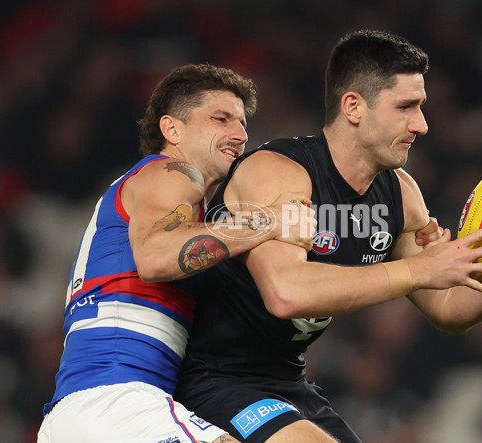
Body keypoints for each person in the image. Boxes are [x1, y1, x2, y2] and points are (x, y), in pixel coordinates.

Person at [175, 30, 482, 443]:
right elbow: (286, 293)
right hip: (210, 379)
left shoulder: (400, 194)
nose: (422, 125)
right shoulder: (278, 172)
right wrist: (421, 267)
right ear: (354, 106)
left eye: (421, 108)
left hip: (286, 383)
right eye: (406, 107)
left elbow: (448, 310)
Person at [38, 64, 320, 443]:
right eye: (221, 119)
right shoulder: (170, 173)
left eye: (243, 123)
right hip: (119, 401)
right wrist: (272, 221)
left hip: (82, 412)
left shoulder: (172, 203)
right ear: (172, 129)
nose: (240, 134)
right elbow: (155, 256)